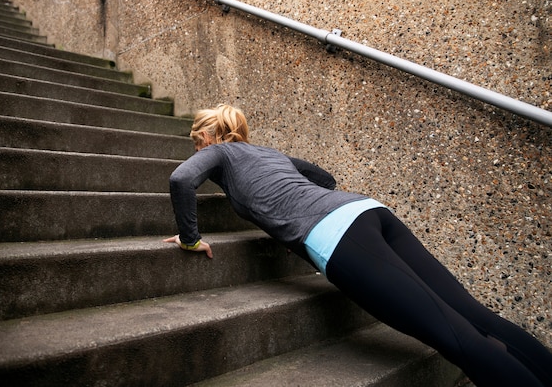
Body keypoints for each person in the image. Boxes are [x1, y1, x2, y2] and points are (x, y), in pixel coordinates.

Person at [163, 104, 552, 387]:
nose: (200, 153)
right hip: (367, 211)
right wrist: (294, 213)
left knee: (452, 335)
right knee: (474, 315)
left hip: (339, 235)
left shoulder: (220, 152)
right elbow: (325, 178)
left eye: (198, 145)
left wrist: (191, 238)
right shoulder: (270, 154)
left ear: (208, 137)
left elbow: (181, 180)